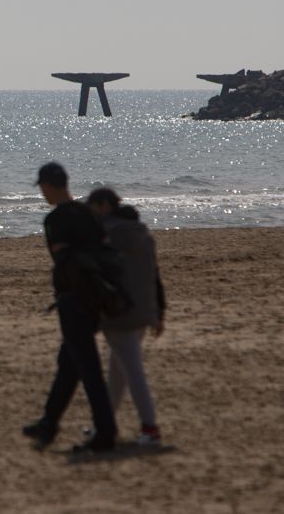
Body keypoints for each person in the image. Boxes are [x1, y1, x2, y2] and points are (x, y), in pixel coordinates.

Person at [22, 162, 118, 452]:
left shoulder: (55, 221)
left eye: (41, 187)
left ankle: (106, 432)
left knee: (87, 369)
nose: (41, 192)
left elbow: (62, 262)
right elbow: (105, 251)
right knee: (69, 365)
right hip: (97, 298)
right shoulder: (88, 213)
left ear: (49, 185)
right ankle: (48, 424)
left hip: (73, 300)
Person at [87, 187, 166, 447]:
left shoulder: (107, 235)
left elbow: (99, 276)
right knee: (118, 373)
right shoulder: (143, 233)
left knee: (132, 372)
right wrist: (158, 312)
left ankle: (150, 427)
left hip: (119, 312)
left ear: (102, 206)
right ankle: (105, 422)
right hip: (143, 310)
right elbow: (154, 276)